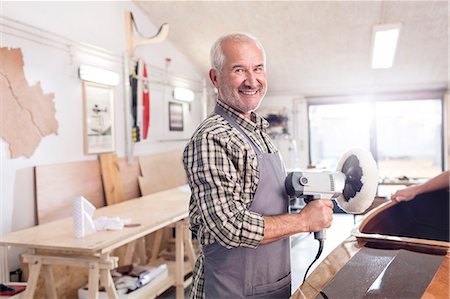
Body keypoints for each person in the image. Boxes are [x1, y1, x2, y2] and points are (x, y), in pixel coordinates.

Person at [183, 33, 333, 299]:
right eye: (239, 69)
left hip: (271, 285)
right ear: (215, 78)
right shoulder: (213, 137)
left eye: (258, 68)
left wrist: (298, 186)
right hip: (232, 291)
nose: (252, 81)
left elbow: (259, 190)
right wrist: (303, 220)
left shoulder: (258, 129)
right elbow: (229, 226)